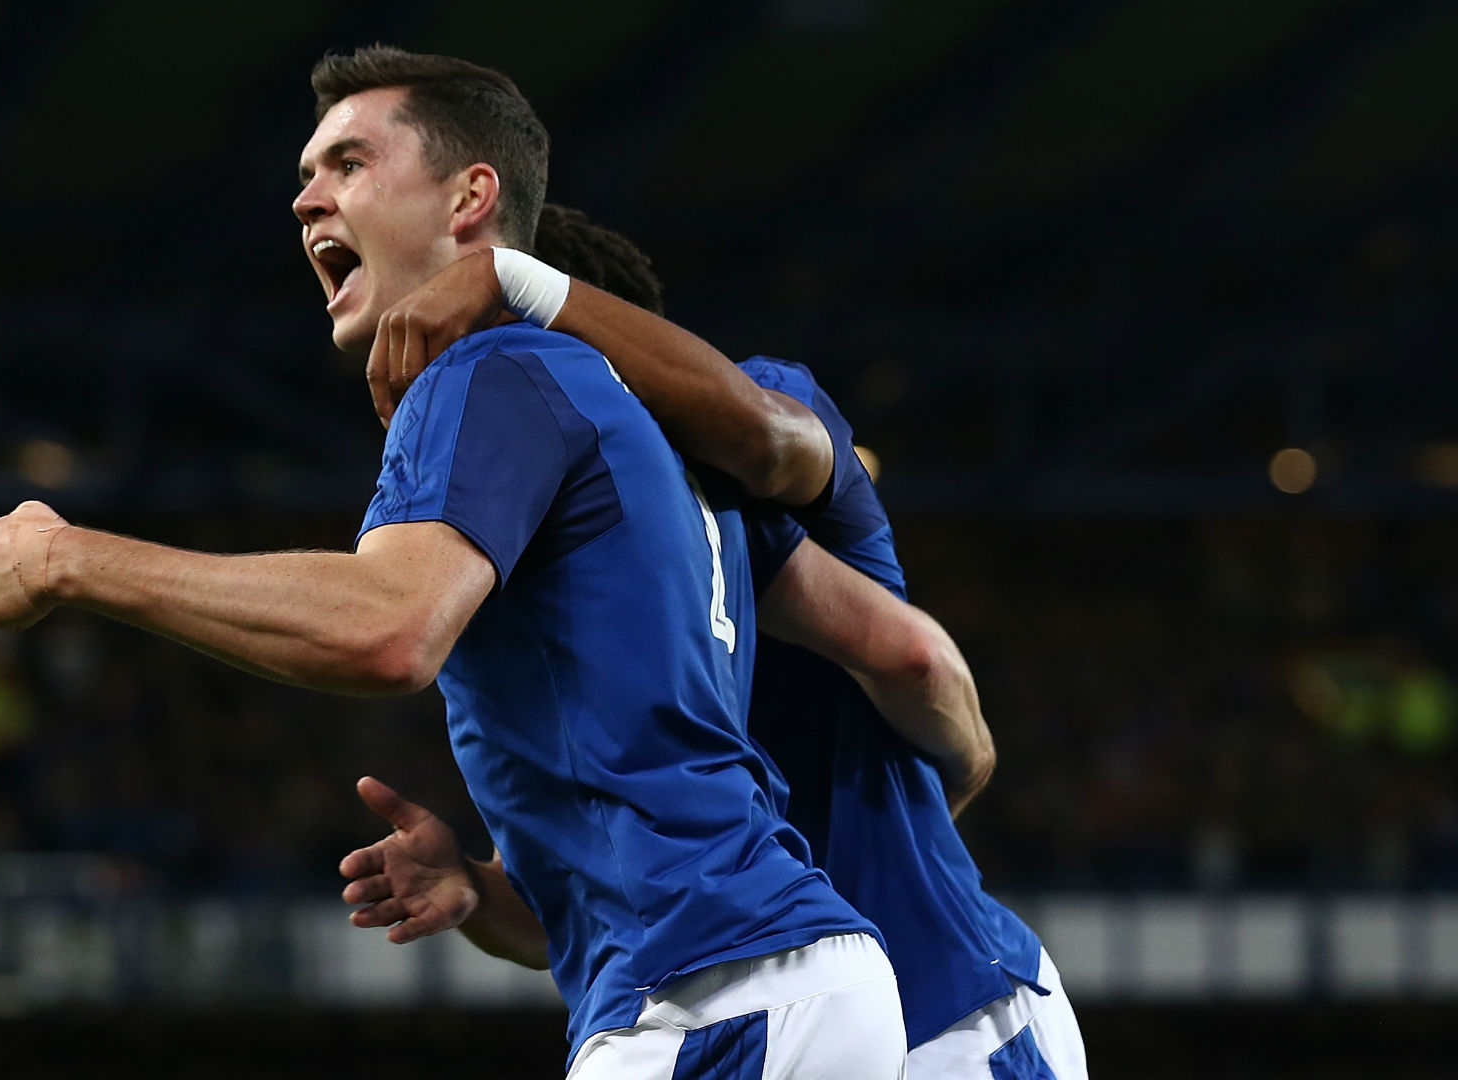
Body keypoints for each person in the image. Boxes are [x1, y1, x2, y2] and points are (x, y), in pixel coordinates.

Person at [0, 46, 906, 1078]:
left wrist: (67, 558)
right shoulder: (615, 421)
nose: (306, 197)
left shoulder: (494, 369)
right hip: (750, 979)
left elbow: (389, 630)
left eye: (350, 164)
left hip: (718, 996)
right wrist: (481, 893)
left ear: (470, 200)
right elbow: (649, 825)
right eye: (308, 172)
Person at [340, 208, 1089, 1078]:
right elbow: (566, 915)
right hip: (864, 1002)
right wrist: (473, 890)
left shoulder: (745, 458)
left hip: (939, 1009)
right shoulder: (575, 577)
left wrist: (942, 792)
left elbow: (916, 657)